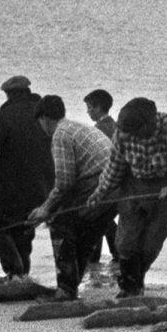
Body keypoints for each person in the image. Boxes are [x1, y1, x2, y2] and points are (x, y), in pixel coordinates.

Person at [83, 97, 167, 299]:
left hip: (165, 186)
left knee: (152, 242)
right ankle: (128, 287)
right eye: (129, 133)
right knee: (126, 242)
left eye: (137, 133)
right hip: (132, 185)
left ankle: (135, 283)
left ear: (150, 123)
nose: (133, 137)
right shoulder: (122, 133)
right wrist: (99, 194)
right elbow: (114, 168)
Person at [26, 95, 116, 302]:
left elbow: (65, 182)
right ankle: (70, 287)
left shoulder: (61, 134)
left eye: (40, 123)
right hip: (113, 187)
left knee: (58, 222)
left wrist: (45, 209)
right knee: (84, 234)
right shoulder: (78, 127)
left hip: (98, 184)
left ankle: (66, 289)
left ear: (45, 119)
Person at [0, 75, 57, 282]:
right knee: (25, 228)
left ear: (9, 95)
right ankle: (23, 274)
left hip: (12, 185)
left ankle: (13, 270)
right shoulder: (45, 113)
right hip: (43, 186)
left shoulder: (8, 114)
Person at [81, 88, 119, 271]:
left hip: (102, 178)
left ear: (97, 108)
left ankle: (95, 256)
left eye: (89, 108)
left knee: (97, 216)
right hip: (116, 178)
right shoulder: (115, 125)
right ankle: (116, 253)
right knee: (107, 217)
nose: (88, 111)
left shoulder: (98, 130)